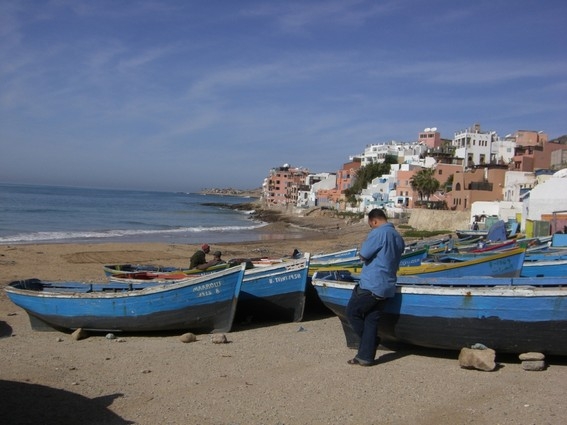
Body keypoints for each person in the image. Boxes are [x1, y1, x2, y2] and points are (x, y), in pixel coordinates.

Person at [345, 208, 405, 366]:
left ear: (374, 221)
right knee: (371, 319)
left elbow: (364, 254)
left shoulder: (379, 233)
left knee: (352, 312)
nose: (371, 227)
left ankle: (371, 342)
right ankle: (365, 357)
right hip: (388, 286)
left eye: (370, 225)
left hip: (372, 284)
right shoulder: (398, 237)